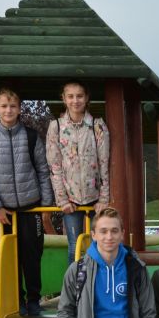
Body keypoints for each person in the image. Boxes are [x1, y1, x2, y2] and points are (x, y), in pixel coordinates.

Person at [0, 86, 54, 316]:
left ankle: (34, 300)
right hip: (6, 212)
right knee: (12, 257)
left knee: (33, 256)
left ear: (19, 109)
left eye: (12, 106)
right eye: (4, 106)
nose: (8, 110)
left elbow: (43, 172)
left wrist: (46, 206)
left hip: (32, 208)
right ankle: (17, 300)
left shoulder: (30, 137)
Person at [45, 80, 109, 263]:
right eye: (71, 96)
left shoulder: (97, 126)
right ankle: (75, 281)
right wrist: (62, 200)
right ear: (64, 98)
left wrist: (104, 198)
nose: (75, 101)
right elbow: (54, 166)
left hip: (95, 199)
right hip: (71, 199)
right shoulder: (56, 127)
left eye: (79, 96)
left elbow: (104, 163)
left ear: (86, 98)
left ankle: (97, 280)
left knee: (99, 245)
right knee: (74, 246)